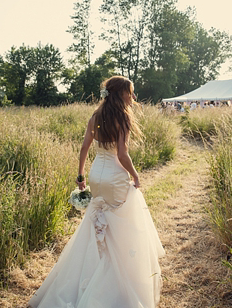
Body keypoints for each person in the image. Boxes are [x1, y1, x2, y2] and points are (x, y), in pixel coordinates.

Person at [28, 76, 165, 308]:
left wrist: (81, 176)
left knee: (98, 223)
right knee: (119, 227)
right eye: (130, 92)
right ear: (121, 93)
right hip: (114, 176)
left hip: (96, 176)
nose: (132, 97)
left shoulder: (95, 117)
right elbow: (122, 155)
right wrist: (135, 175)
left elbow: (84, 147)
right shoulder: (122, 117)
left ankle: (92, 270)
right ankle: (114, 280)